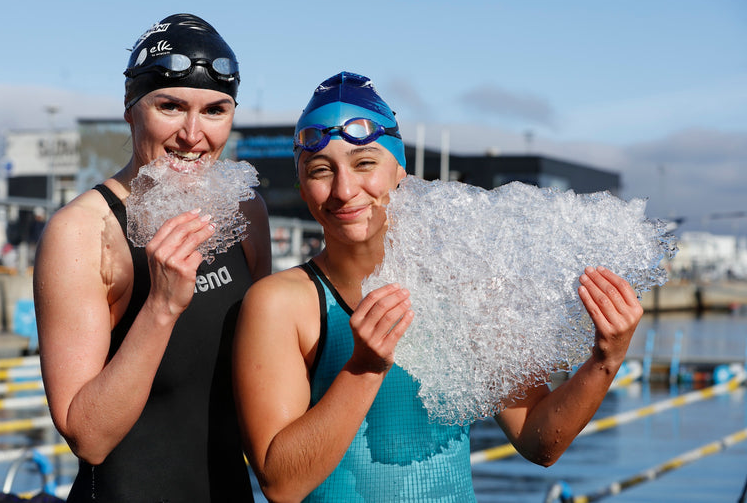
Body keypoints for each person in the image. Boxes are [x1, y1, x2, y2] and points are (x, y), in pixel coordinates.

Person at [232, 72, 644, 502]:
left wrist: (604, 359)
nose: (345, 189)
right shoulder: (280, 303)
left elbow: (540, 441)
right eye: (321, 170)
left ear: (399, 171)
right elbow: (281, 484)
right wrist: (365, 368)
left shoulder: (460, 290)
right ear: (302, 186)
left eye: (365, 163)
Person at [34, 13, 271, 502]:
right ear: (131, 109)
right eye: (170, 106)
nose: (193, 133)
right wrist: (161, 306)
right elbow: (88, 437)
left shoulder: (246, 210)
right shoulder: (82, 232)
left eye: (215, 110)